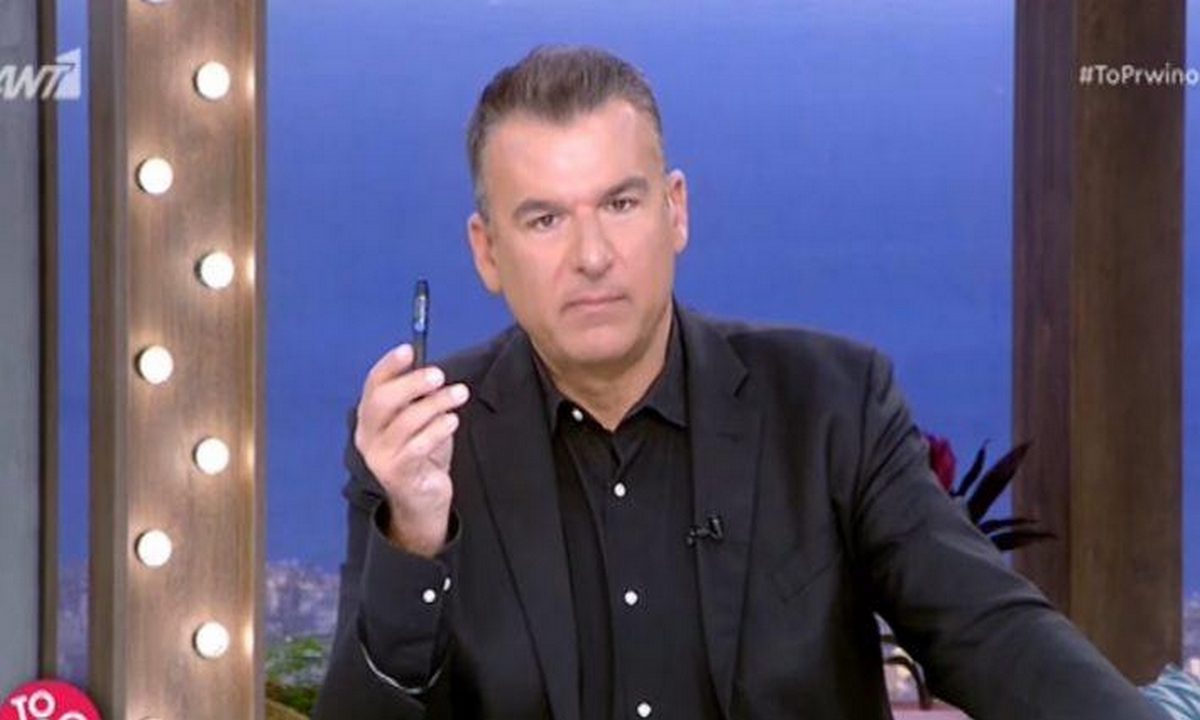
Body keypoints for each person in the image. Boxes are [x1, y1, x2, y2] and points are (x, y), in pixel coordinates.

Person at [313, 46, 1165, 720]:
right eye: (545, 219)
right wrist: (414, 538)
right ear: (487, 252)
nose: (592, 255)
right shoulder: (427, 446)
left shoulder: (831, 406)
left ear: (676, 211)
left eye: (620, 204)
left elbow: (988, 631)